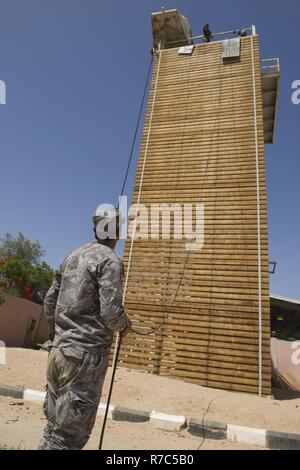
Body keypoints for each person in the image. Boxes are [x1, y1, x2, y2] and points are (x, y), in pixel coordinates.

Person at [38, 206, 131, 450]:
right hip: (83, 360)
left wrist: (60, 333)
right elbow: (111, 314)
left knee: (53, 428)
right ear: (118, 232)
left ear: (95, 228)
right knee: (69, 437)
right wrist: (125, 325)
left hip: (58, 352)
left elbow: (49, 301)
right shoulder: (110, 261)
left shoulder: (72, 255)